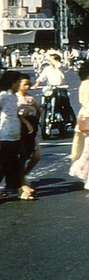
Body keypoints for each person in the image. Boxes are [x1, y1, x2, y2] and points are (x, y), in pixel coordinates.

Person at [0, 71, 29, 199]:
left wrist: (26, 123)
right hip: (4, 135)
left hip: (15, 135)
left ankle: (19, 189)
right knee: (5, 164)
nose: (19, 85)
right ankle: (20, 190)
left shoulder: (13, 96)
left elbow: (15, 113)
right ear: (13, 82)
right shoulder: (2, 96)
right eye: (18, 82)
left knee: (14, 163)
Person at [17, 73, 41, 199]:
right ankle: (21, 181)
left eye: (28, 84)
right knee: (22, 157)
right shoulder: (14, 98)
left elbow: (39, 111)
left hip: (33, 131)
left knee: (37, 156)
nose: (27, 87)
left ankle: (22, 176)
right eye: (24, 84)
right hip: (21, 131)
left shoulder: (31, 99)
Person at [71, 60, 89, 162]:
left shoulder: (84, 83)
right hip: (88, 114)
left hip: (82, 113)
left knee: (80, 140)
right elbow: (86, 102)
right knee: (88, 141)